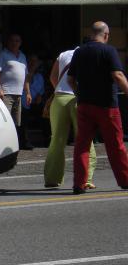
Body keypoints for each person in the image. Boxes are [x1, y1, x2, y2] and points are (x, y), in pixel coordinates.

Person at [68, 21, 128, 194]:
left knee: (82, 145)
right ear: (106, 35)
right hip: (107, 106)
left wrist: (79, 93)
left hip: (85, 105)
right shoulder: (109, 51)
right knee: (115, 145)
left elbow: (70, 80)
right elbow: (117, 75)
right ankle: (125, 180)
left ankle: (79, 184)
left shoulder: (79, 52)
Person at [43, 45, 96, 189]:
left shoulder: (63, 54)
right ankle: (86, 178)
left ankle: (52, 179)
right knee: (85, 139)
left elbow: (53, 77)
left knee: (57, 140)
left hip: (59, 99)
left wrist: (60, 90)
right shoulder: (89, 55)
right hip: (78, 98)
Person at [0, 34, 31, 146]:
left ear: (20, 43)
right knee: (5, 121)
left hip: (19, 94)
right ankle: (2, 145)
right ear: (8, 42)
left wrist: (28, 92)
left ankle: (12, 145)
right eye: (12, 40)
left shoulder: (22, 56)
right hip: (6, 94)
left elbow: (26, 75)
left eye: (17, 41)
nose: (15, 43)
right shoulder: (2, 55)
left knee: (16, 122)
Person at [20, 54, 45, 150]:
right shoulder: (24, 75)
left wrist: (38, 98)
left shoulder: (39, 77)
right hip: (23, 103)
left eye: (35, 61)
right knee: (24, 115)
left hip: (33, 103)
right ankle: (25, 141)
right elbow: (27, 82)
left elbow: (40, 94)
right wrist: (31, 70)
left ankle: (46, 138)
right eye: (31, 61)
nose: (33, 63)